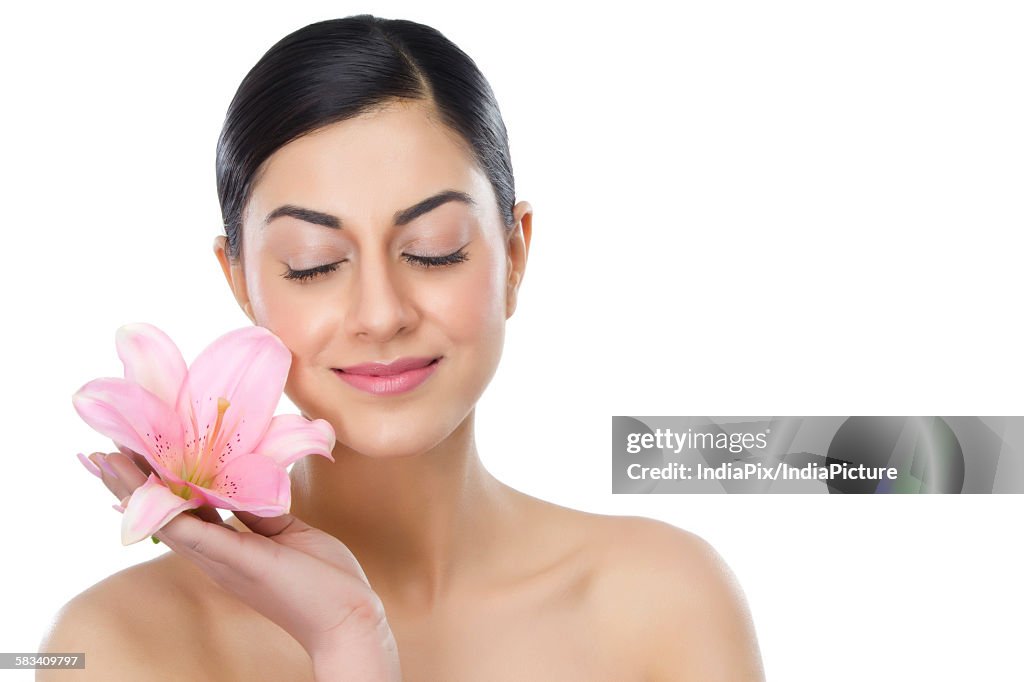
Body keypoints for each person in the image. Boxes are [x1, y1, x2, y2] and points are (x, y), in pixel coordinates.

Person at [40, 15, 765, 681]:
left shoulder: (667, 603)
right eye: (314, 263)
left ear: (514, 257)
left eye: (434, 250)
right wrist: (347, 642)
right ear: (241, 283)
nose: (381, 315)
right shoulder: (116, 645)